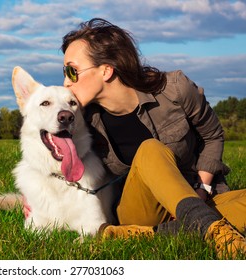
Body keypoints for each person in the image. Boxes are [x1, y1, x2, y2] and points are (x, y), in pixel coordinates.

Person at [61, 18, 246, 259]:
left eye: (72, 71)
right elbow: (60, 159)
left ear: (106, 70)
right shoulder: (83, 121)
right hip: (140, 209)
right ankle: (214, 232)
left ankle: (151, 233)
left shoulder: (175, 89)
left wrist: (201, 189)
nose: (66, 82)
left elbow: (212, 135)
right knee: (150, 149)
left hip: (195, 197)